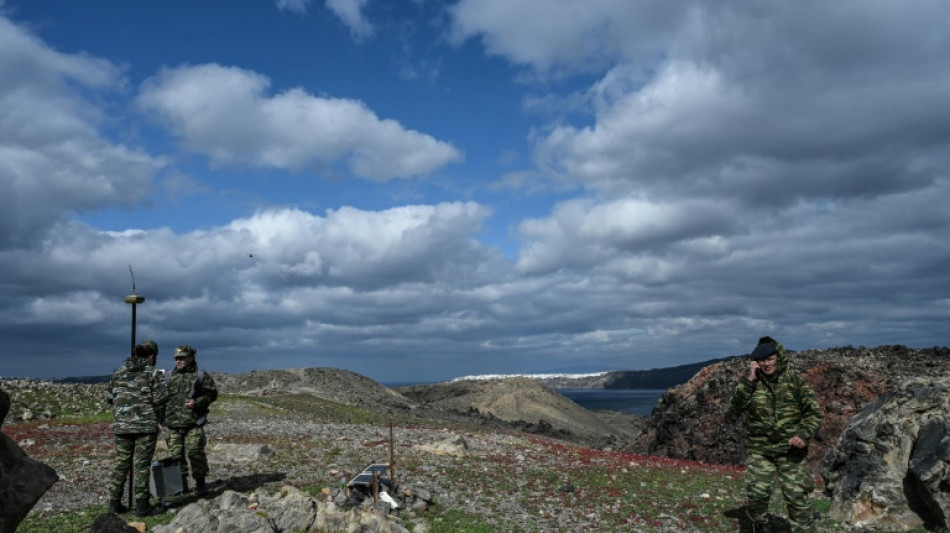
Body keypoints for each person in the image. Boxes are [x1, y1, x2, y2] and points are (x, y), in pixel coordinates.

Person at [731, 336, 823, 533]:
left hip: (789, 450)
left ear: (779, 357)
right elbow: (736, 405)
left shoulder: (794, 380)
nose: (766, 364)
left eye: (770, 359)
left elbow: (814, 413)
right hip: (760, 449)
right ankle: (759, 526)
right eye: (762, 360)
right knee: (757, 494)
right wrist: (750, 380)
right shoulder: (751, 382)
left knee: (796, 496)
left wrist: (803, 435)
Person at [107, 340, 168, 516]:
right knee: (142, 466)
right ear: (152, 356)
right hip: (145, 426)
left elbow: (110, 397)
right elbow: (161, 398)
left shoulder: (118, 372)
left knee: (121, 464)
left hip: (122, 425)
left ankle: (114, 504)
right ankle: (142, 506)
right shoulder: (153, 373)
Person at [165, 344, 218, 495]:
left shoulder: (200, 375)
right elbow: (161, 398)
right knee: (176, 456)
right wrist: (160, 418)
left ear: (190, 358)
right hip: (173, 424)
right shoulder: (168, 376)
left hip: (193, 423)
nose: (178, 361)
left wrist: (197, 402)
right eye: (176, 358)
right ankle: (182, 487)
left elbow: (212, 394)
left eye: (182, 358)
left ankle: (200, 485)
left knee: (195, 453)